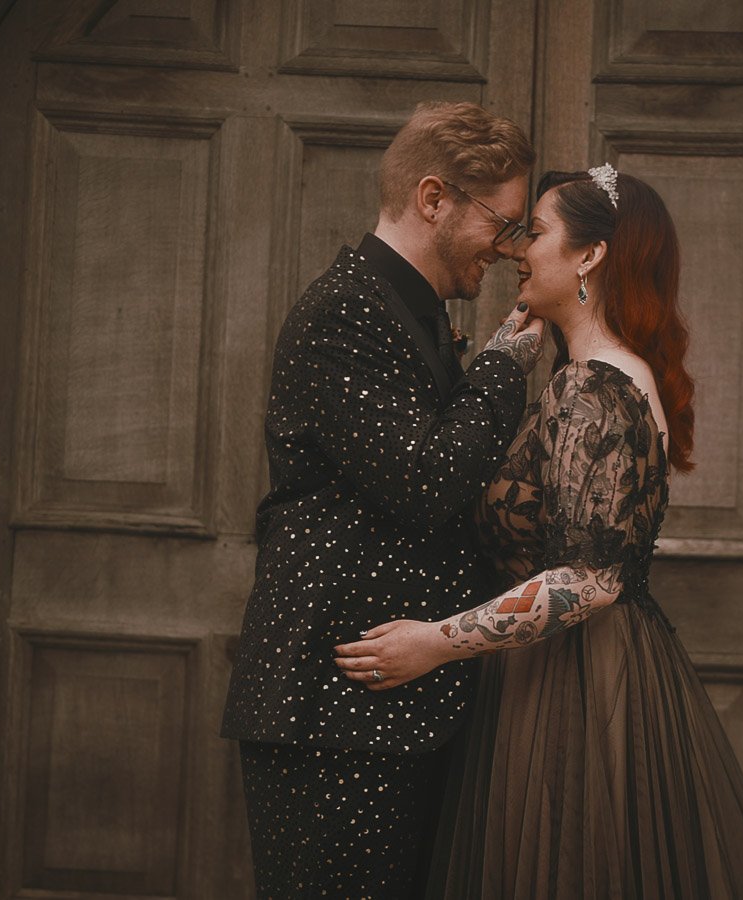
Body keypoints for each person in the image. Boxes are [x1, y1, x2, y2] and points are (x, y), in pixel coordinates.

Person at [334, 166, 743, 897]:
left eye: (538, 234)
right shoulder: (608, 374)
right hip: (586, 672)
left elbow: (591, 580)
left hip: (576, 684)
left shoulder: (594, 385)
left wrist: (435, 642)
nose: (520, 251)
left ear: (590, 256)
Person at [219, 100, 547, 898]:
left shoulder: (416, 312)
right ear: (435, 198)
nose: (508, 254)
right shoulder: (345, 311)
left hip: (387, 710)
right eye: (502, 226)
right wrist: (508, 360)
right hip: (332, 712)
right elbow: (426, 481)